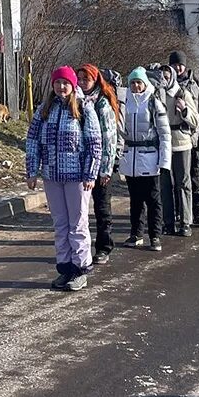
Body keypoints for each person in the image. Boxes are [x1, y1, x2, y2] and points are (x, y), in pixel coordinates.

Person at [26, 66, 102, 291]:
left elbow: (94, 143)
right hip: (52, 176)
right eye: (58, 83)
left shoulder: (84, 108)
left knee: (77, 224)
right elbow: (32, 141)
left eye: (65, 83)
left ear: (73, 85)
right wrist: (32, 170)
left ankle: (80, 269)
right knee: (60, 224)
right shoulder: (44, 109)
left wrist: (90, 173)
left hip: (77, 177)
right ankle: (65, 267)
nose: (61, 87)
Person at [118, 67, 171, 252]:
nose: (135, 86)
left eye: (138, 82)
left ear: (145, 84)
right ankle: (136, 234)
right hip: (131, 158)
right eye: (132, 82)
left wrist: (165, 162)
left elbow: (165, 134)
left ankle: (155, 235)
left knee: (153, 199)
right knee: (135, 200)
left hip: (150, 158)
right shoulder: (125, 102)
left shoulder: (153, 102)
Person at [77, 64, 120, 264]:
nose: (83, 83)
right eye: (80, 79)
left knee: (102, 209)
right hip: (80, 164)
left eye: (87, 79)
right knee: (80, 211)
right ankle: (80, 248)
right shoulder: (75, 100)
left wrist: (106, 168)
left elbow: (109, 138)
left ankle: (104, 247)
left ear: (95, 81)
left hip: (100, 164)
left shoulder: (102, 103)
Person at [167, 51, 199, 226]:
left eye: (180, 64)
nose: (178, 67)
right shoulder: (167, 82)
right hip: (174, 137)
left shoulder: (195, 83)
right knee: (175, 178)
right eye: (175, 64)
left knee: (193, 176)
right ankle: (179, 211)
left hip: (192, 134)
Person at [159, 63, 199, 237]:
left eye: (167, 76)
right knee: (165, 184)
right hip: (162, 142)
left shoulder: (182, 93)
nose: (164, 79)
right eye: (162, 77)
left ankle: (185, 222)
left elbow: (196, 120)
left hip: (181, 141)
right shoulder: (156, 94)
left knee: (183, 182)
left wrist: (184, 110)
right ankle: (168, 222)